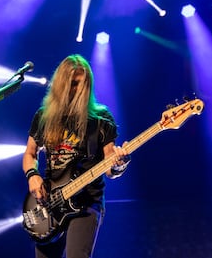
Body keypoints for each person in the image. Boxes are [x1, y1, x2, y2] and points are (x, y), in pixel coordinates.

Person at [22, 54, 131, 258]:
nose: (78, 90)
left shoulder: (100, 119)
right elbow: (30, 153)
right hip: (50, 202)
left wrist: (119, 163)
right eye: (73, 84)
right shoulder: (44, 116)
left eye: (83, 84)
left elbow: (110, 166)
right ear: (61, 84)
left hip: (87, 202)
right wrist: (32, 175)